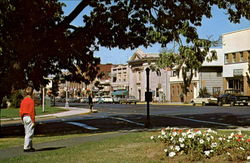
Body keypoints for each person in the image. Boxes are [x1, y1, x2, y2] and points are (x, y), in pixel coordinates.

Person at [20, 86, 36, 152]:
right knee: (30, 133)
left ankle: (30, 146)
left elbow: (20, 111)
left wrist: (22, 118)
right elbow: (31, 111)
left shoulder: (23, 100)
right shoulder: (31, 101)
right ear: (32, 93)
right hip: (29, 117)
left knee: (27, 132)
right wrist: (33, 120)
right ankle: (26, 147)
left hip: (24, 117)